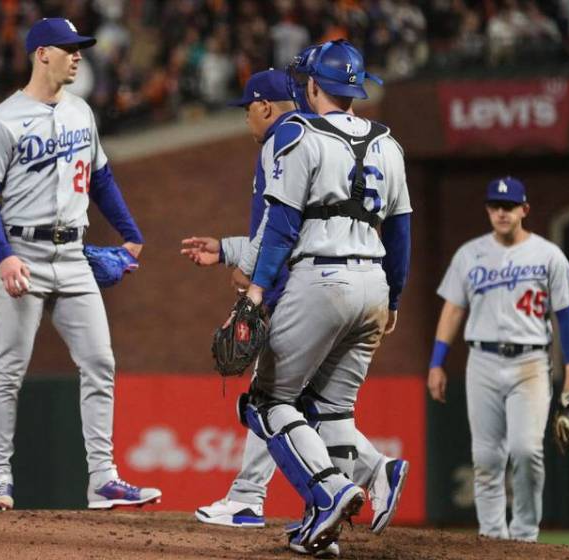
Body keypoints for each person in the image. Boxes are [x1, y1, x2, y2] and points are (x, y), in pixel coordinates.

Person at [182, 69, 409, 552]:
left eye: (246, 109)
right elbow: (393, 230)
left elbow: (282, 226)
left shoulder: (293, 137)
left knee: (267, 402)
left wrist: (257, 286)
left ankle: (320, 493)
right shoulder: (384, 141)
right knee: (328, 410)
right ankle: (354, 493)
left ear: (265, 106)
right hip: (371, 280)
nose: (246, 119)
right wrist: (393, 297)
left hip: (313, 284)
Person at [0, 17, 161, 511]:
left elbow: (101, 179)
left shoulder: (80, 111)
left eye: (80, 49)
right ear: (41, 54)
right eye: (68, 48)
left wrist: (131, 232)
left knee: (100, 362)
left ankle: (103, 478)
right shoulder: (2, 120)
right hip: (23, 254)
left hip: (73, 254)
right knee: (9, 369)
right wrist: (4, 255)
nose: (78, 56)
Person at [427, 177, 569, 542]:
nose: (502, 212)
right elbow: (453, 310)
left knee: (526, 449)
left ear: (524, 210)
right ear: (488, 209)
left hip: (529, 362)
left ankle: (526, 536)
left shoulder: (547, 255)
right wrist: (438, 361)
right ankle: (493, 538)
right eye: (496, 206)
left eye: (509, 206)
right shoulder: (470, 254)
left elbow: (566, 315)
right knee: (486, 459)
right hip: (481, 359)